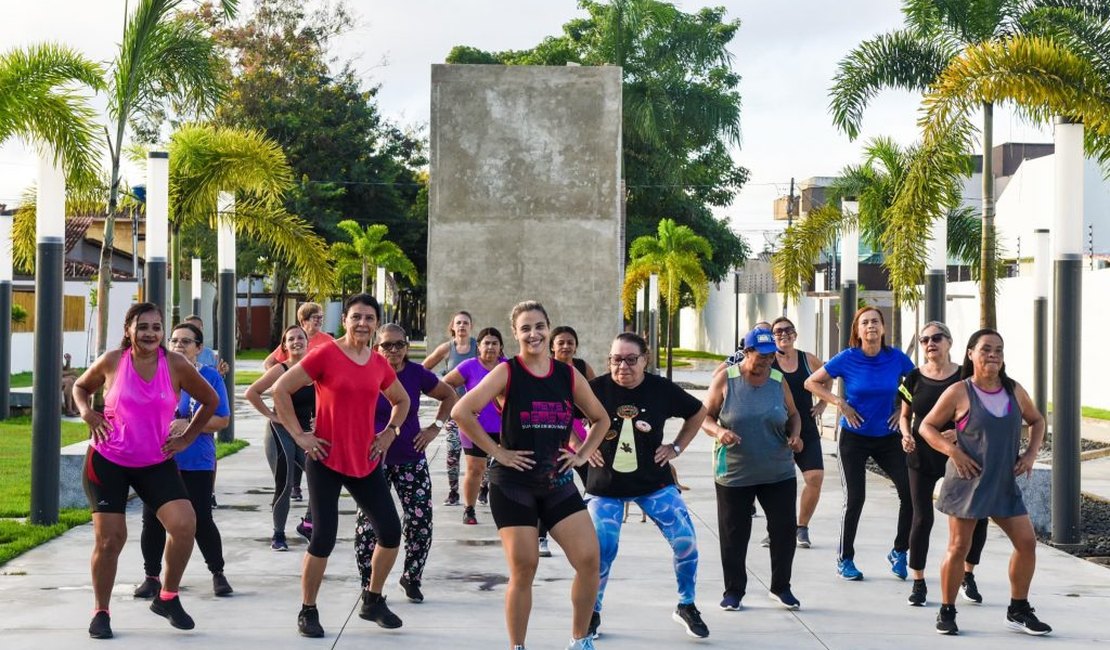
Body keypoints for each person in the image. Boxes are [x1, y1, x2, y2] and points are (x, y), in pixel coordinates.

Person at [452, 300, 610, 650]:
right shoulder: (508, 371)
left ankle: (580, 640)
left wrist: (581, 455)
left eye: (539, 326)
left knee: (589, 560)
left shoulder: (567, 374)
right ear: (516, 333)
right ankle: (518, 646)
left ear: (548, 328)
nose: (533, 333)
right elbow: (462, 410)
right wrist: (496, 452)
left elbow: (601, 419)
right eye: (525, 328)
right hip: (513, 485)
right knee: (525, 567)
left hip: (557, 482)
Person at [73, 302, 219, 639]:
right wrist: (87, 413)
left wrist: (187, 437)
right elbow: (80, 387)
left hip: (156, 461)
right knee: (111, 540)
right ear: (129, 330)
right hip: (108, 460)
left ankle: (167, 596)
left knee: (185, 525)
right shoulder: (113, 361)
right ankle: (101, 611)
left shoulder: (177, 365)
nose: (150, 333)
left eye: (156, 327)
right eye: (143, 327)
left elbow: (210, 400)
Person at [272, 293, 411, 639]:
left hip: (364, 461)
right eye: (356, 317)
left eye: (369, 318)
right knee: (323, 538)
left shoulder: (379, 363)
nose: (362, 323)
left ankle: (373, 600)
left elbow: (402, 400)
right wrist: (301, 436)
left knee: (391, 532)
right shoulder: (326, 354)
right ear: (344, 320)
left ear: (376, 324)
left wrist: (389, 432)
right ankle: (308, 610)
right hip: (325, 459)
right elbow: (280, 390)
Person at [920, 328, 1049, 636]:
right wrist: (953, 451)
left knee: (1027, 543)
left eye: (999, 350)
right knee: (958, 547)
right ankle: (947, 610)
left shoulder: (1014, 390)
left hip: (1003, 483)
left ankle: (1018, 609)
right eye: (986, 349)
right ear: (971, 354)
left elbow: (1037, 420)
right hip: (968, 483)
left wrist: (1031, 454)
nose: (993, 354)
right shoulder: (959, 392)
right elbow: (926, 427)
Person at [584, 332, 709, 639]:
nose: (622, 366)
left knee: (685, 541)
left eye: (630, 359)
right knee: (602, 549)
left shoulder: (661, 389)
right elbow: (564, 418)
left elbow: (699, 412)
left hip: (654, 483)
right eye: (616, 359)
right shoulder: (594, 389)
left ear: (645, 360)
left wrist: (676, 448)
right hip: (606, 486)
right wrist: (581, 446)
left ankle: (686, 605)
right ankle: (592, 611)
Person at [804, 306, 915, 581]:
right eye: (865, 323)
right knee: (855, 498)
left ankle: (900, 551)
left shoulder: (896, 358)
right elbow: (811, 382)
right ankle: (845, 559)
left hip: (888, 438)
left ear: (883, 328)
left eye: (875, 322)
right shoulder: (848, 358)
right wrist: (839, 403)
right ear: (858, 330)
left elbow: (917, 384)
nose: (871, 327)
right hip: (854, 437)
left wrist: (901, 406)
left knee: (910, 494)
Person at [354, 323, 458, 604]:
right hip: (373, 458)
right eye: (387, 345)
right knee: (368, 526)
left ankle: (411, 577)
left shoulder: (416, 374)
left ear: (407, 347)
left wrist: (434, 427)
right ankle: (369, 584)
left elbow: (450, 395)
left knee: (420, 520)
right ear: (377, 347)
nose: (394, 350)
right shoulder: (365, 370)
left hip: (410, 457)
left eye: (399, 344)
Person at [703, 327, 803, 612]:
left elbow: (794, 414)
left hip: (778, 470)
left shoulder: (777, 379)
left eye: (771, 357)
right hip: (734, 472)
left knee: (784, 530)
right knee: (735, 533)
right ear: (746, 353)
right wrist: (719, 431)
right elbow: (705, 417)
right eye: (761, 356)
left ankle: (781, 587)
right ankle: (733, 590)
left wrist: (795, 435)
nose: (767, 362)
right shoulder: (726, 379)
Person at [134, 322, 233, 599]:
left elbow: (221, 420)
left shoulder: (210, 377)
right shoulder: (157, 375)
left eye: (186, 342)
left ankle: (217, 572)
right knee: (152, 519)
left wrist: (188, 425)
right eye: (175, 340)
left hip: (196, 461)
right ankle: (152, 577)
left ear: (199, 348)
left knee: (200, 517)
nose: (178, 345)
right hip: (158, 460)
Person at [898, 321, 988, 607]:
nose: (930, 343)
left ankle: (968, 575)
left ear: (950, 342)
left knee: (977, 516)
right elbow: (905, 415)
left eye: (937, 338)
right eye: (924, 340)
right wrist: (905, 434)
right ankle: (918, 581)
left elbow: (981, 415)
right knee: (921, 517)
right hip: (922, 455)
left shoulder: (966, 377)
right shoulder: (912, 378)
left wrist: (959, 432)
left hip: (960, 456)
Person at [244, 325, 314, 551]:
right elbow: (251, 392)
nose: (296, 342)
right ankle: (278, 534)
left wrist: (320, 420)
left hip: (306, 433)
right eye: (290, 339)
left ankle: (308, 524)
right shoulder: (281, 369)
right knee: (284, 482)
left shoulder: (316, 370)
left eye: (300, 337)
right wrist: (271, 415)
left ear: (307, 341)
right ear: (284, 346)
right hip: (281, 432)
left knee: (321, 479)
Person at [769, 316, 830, 548]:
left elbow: (828, 376)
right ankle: (775, 528)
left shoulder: (807, 359)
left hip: (805, 426)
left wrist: (823, 403)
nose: (783, 334)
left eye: (788, 330)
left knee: (815, 477)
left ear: (795, 334)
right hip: (774, 429)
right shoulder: (767, 360)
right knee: (773, 484)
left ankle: (801, 527)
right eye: (778, 332)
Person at [264, 302, 334, 502]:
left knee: (311, 452)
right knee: (290, 451)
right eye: (315, 317)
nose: (319, 320)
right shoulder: (292, 339)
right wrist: (281, 380)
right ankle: (294, 486)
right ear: (304, 321)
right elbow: (269, 362)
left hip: (313, 400)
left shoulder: (327, 341)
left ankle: (313, 506)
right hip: (289, 404)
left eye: (321, 317)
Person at [539, 325, 596, 556]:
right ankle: (541, 536)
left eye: (570, 342)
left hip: (582, 432)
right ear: (552, 346)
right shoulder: (545, 369)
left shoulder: (582, 367)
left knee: (593, 480)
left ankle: (587, 528)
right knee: (549, 485)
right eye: (560, 342)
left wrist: (592, 422)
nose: (565, 346)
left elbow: (596, 397)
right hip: (555, 433)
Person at [442, 327, 506, 526]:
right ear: (478, 346)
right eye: (486, 343)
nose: (490, 347)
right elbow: (445, 384)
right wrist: (462, 404)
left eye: (495, 343)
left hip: (505, 428)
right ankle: (469, 509)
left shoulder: (508, 367)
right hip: (474, 427)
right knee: (475, 469)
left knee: (507, 469)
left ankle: (508, 507)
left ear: (501, 347)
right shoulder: (469, 366)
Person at [423, 309, 479, 506]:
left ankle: (484, 489)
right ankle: (453, 492)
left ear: (471, 326)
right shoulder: (447, 348)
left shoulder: (479, 347)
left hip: (478, 412)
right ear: (453, 327)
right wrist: (438, 387)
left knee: (483, 455)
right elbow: (424, 368)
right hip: (455, 412)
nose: (462, 326)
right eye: (459, 323)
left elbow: (498, 364)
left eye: (466, 322)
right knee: (452, 452)